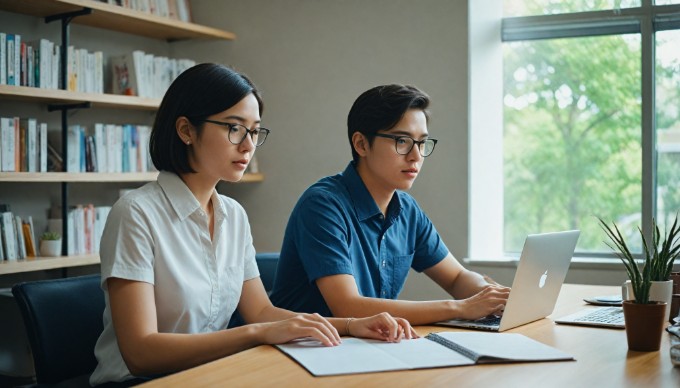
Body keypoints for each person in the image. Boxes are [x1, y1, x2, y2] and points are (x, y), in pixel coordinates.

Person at [90, 65, 416, 386]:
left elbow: (260, 311)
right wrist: (256, 333)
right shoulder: (135, 213)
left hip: (209, 375)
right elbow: (141, 353)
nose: (247, 145)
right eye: (234, 128)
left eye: (255, 131)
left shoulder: (233, 215)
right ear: (186, 130)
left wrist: (350, 325)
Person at [269, 84, 510, 325]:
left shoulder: (407, 210)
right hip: (296, 350)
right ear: (361, 144)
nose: (416, 156)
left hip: (363, 348)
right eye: (402, 141)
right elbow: (347, 306)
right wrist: (460, 308)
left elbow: (457, 277)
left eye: (422, 143)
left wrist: (494, 296)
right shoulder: (322, 205)